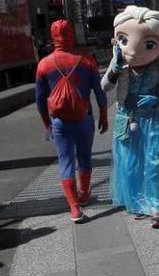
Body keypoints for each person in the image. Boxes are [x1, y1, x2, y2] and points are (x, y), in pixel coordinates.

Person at [102, 6, 159, 229]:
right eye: (123, 40)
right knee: (131, 164)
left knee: (155, 163)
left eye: (149, 44)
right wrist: (114, 69)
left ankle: (156, 206)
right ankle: (137, 201)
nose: (134, 50)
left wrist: (156, 97)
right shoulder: (120, 66)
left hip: (154, 119)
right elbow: (104, 86)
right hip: (127, 118)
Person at [35, 19, 109, 223]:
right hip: (84, 118)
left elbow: (40, 100)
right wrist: (103, 114)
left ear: (53, 37)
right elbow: (99, 91)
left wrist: (46, 123)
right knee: (84, 157)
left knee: (65, 161)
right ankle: (84, 194)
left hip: (60, 121)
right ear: (71, 36)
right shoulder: (86, 60)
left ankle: (75, 208)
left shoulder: (44, 64)